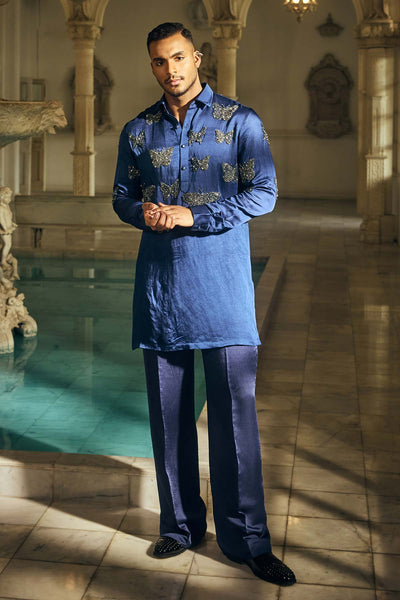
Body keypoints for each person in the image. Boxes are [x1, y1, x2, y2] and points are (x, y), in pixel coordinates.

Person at [113, 22, 296, 587]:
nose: (170, 69)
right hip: (161, 291)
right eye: (159, 61)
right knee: (168, 417)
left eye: (178, 57)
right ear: (151, 66)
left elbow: (263, 193)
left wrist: (193, 214)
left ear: (196, 57)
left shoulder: (240, 122)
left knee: (235, 419)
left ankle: (249, 541)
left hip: (224, 291)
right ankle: (179, 526)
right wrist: (142, 212)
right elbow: (121, 196)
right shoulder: (139, 130)